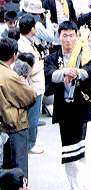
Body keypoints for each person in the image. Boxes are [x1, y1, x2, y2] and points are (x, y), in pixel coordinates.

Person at [44, 21, 91, 190]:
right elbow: (49, 74)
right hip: (64, 110)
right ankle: (76, 185)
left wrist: (76, 72)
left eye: (71, 35)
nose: (67, 39)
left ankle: (80, 184)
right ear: (58, 37)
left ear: (77, 36)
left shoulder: (85, 54)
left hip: (80, 109)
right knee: (69, 150)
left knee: (79, 147)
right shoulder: (53, 57)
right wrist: (65, 72)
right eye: (64, 35)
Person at [0, 37, 36, 178]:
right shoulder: (10, 76)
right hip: (14, 125)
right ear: (14, 56)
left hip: (3, 123)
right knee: (19, 167)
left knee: (5, 165)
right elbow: (30, 97)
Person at [18, 14, 45, 154]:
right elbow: (29, 69)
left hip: (35, 85)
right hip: (33, 86)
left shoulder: (28, 41)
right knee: (32, 117)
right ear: (32, 28)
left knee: (33, 115)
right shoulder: (24, 46)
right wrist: (42, 63)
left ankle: (30, 141)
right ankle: (30, 144)